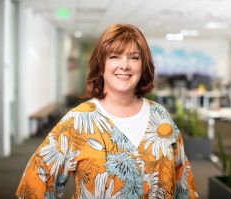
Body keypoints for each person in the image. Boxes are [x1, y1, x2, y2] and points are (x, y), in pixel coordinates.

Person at [16, 24, 198, 199]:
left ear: (143, 66)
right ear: (101, 65)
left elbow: (183, 184)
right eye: (115, 56)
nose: (125, 65)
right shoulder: (78, 121)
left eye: (134, 57)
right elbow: (34, 185)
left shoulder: (161, 117)